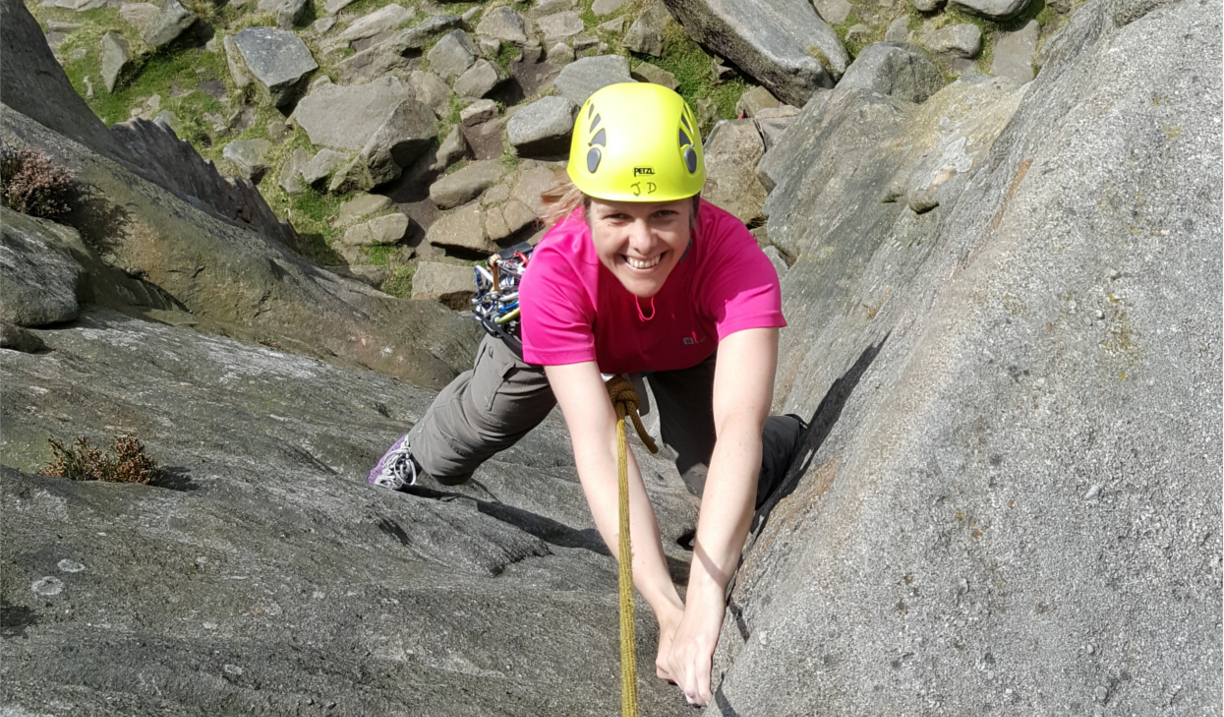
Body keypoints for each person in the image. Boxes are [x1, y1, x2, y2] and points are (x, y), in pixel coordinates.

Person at [367, 82, 804, 708]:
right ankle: (419, 455)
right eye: (617, 216)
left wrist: (706, 602)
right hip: (566, 327)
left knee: (731, 472)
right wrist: (665, 605)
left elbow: (737, 421)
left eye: (663, 215)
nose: (643, 242)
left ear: (695, 205)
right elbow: (599, 441)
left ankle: (784, 434)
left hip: (681, 342)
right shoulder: (556, 273)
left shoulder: (734, 260)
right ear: (586, 206)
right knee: (481, 423)